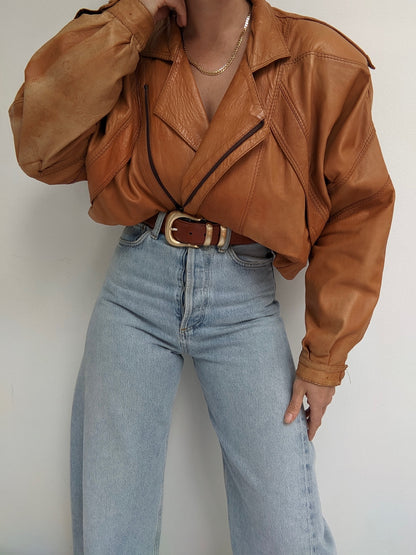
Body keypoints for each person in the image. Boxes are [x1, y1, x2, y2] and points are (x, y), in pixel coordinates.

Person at [9, 0, 394, 553]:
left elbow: (359, 209)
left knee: (286, 534)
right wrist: (134, 14)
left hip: (244, 297)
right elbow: (39, 145)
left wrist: (325, 358)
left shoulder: (317, 60)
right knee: (110, 530)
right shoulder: (133, 43)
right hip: (136, 286)